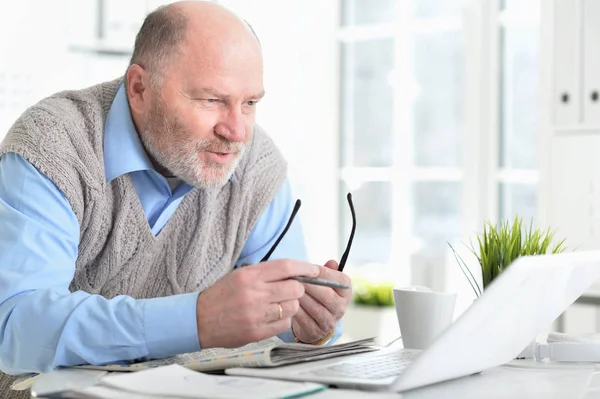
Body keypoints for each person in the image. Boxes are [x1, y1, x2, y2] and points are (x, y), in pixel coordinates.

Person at [0, 1, 352, 396]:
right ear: (139, 88)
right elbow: (15, 327)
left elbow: (288, 319)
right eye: (211, 100)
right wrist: (196, 319)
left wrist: (310, 324)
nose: (237, 132)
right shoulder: (54, 145)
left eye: (250, 103)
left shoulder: (255, 165)